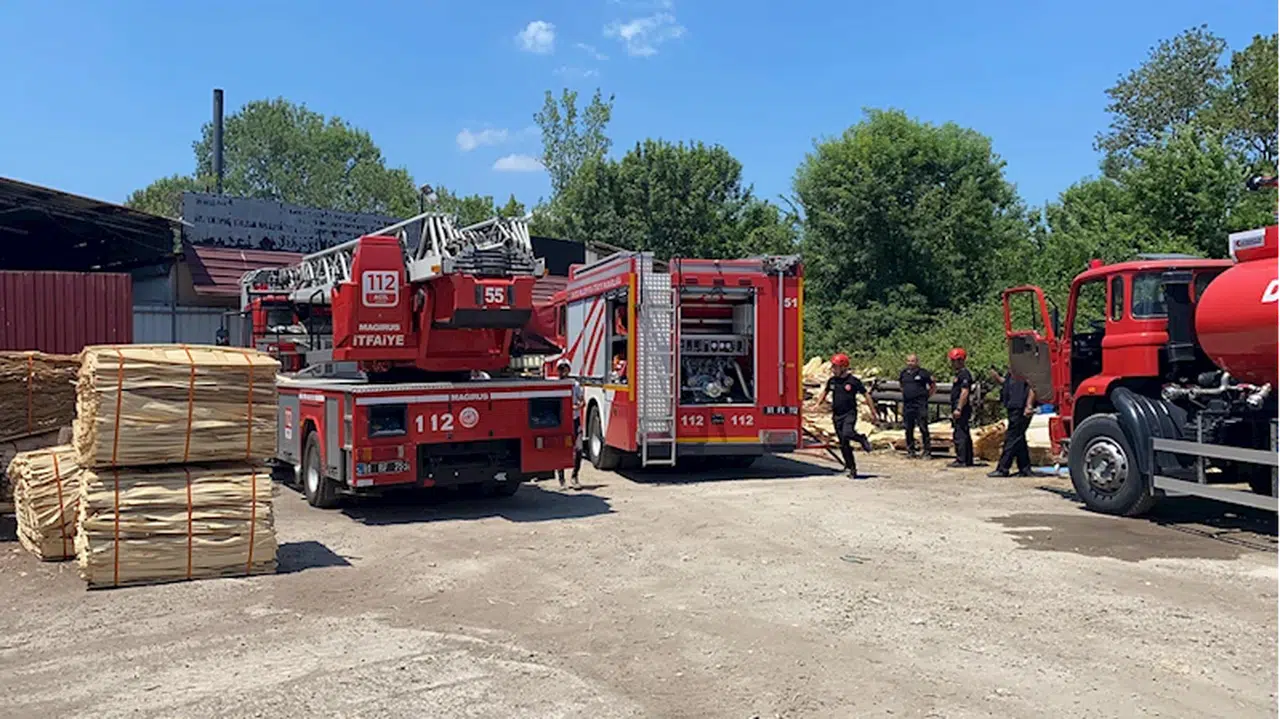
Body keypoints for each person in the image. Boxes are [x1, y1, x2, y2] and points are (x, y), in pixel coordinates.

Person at [816, 353, 876, 478]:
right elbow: (825, 392)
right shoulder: (832, 381)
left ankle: (861, 438)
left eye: (835, 367)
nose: (833, 369)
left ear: (843, 367)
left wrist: (873, 412)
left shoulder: (853, 381)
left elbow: (866, 395)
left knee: (847, 433)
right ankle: (851, 467)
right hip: (836, 415)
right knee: (843, 443)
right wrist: (817, 404)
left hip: (849, 413)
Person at [988, 368, 1036, 477]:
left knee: (1012, 438)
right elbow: (1007, 384)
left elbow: (1033, 387)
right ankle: (1025, 468)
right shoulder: (1012, 371)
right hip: (1013, 406)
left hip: (1021, 407)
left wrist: (1029, 405)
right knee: (1019, 438)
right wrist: (997, 378)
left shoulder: (1026, 370)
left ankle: (1003, 468)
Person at [898, 354, 935, 459]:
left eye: (913, 361)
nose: (910, 363)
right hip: (908, 404)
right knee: (908, 428)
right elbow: (901, 385)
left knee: (923, 427)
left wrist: (926, 396)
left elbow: (933, 385)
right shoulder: (903, 373)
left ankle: (927, 451)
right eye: (908, 361)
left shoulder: (923, 373)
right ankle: (911, 450)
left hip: (920, 404)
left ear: (917, 362)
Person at [555, 360, 584, 488]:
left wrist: (576, 406)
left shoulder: (575, 385)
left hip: (574, 419)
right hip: (560, 422)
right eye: (561, 368)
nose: (563, 371)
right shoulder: (555, 385)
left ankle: (575, 476)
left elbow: (582, 401)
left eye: (565, 368)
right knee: (560, 449)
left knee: (578, 448)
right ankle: (561, 480)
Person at [948, 348, 975, 467]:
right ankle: (967, 459)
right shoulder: (959, 374)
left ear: (960, 360)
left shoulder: (964, 374)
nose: (953, 363)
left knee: (960, 434)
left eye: (954, 361)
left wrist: (959, 408)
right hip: (960, 407)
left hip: (962, 408)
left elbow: (965, 392)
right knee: (964, 432)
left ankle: (961, 459)